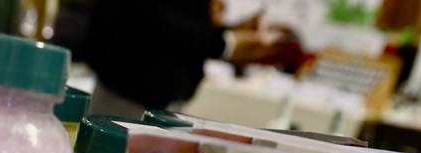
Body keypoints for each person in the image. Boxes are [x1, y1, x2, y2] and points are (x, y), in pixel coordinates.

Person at [83, 0, 303, 119]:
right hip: (131, 83)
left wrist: (229, 33)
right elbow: (140, 12)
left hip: (160, 89)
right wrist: (222, 42)